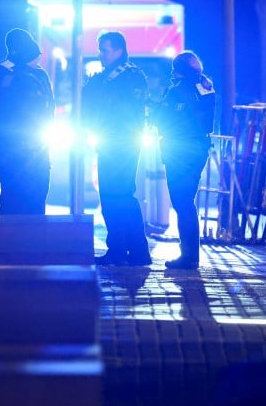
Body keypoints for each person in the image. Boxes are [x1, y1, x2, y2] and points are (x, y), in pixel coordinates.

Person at [85, 30, 152, 266]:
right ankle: (125, 250)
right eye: (100, 49)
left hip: (121, 143)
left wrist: (97, 89)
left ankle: (134, 251)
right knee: (112, 196)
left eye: (105, 49)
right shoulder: (107, 77)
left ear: (119, 50)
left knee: (121, 195)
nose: (100, 54)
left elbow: (118, 109)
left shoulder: (130, 76)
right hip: (110, 142)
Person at [152, 51, 216, 270]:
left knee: (182, 202)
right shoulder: (205, 86)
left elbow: (162, 119)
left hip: (180, 152)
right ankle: (190, 255)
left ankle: (189, 257)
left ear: (179, 70)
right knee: (186, 201)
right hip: (198, 149)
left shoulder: (179, 91)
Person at [0, 28, 55, 215]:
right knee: (14, 198)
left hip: (34, 147)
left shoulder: (38, 75)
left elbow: (50, 107)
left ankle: (32, 240)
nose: (37, 61)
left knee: (36, 194)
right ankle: (11, 241)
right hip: (14, 149)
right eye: (33, 56)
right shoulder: (1, 75)